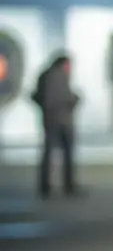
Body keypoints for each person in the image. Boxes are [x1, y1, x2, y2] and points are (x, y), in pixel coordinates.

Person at [32, 53, 81, 198]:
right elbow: (60, 98)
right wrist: (74, 100)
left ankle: (46, 186)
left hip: (51, 119)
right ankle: (67, 185)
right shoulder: (58, 76)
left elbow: (38, 96)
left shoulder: (45, 75)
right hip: (61, 120)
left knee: (49, 153)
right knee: (64, 154)